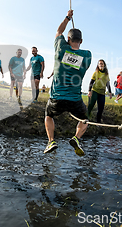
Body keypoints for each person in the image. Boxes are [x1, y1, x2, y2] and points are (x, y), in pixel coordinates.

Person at [43, 10, 92, 156]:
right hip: (75, 99)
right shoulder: (87, 55)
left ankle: (51, 140)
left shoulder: (60, 48)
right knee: (85, 118)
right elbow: (74, 59)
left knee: (48, 115)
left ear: (68, 39)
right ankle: (76, 138)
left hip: (56, 98)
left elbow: (59, 31)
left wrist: (68, 18)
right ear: (81, 41)